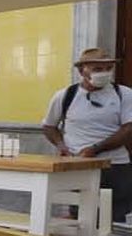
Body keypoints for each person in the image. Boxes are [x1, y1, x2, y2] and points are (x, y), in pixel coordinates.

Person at [43, 48, 132, 224]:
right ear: (81, 70)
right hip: (79, 166)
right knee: (81, 219)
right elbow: (49, 127)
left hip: (115, 166)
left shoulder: (124, 94)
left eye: (108, 68)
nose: (104, 73)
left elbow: (128, 129)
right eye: (97, 69)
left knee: (117, 218)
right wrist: (62, 147)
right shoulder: (65, 96)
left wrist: (95, 149)